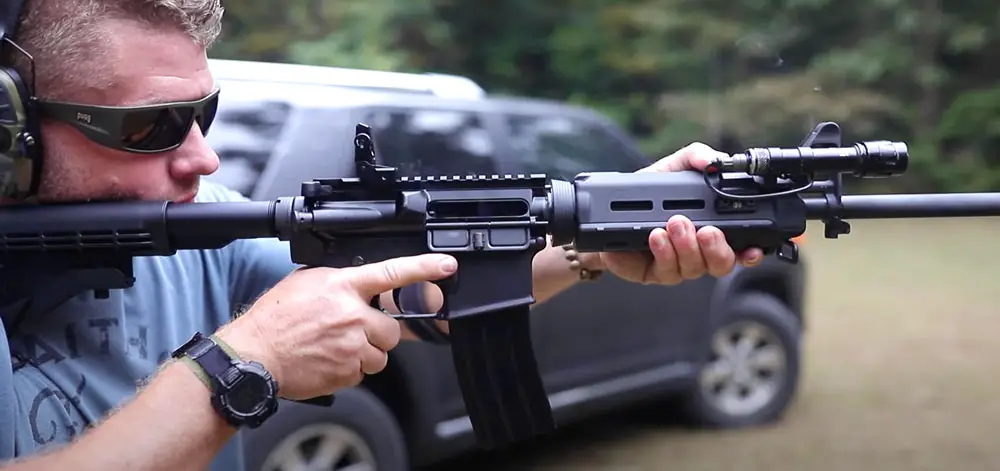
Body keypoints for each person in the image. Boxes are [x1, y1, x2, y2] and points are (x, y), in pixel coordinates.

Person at [0, 1, 765, 470]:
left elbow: (415, 286)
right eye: (151, 127)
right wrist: (239, 367)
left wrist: (592, 237)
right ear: (14, 129)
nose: (202, 156)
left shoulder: (203, 226)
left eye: (202, 115)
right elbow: (255, 351)